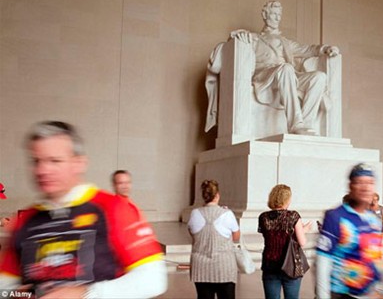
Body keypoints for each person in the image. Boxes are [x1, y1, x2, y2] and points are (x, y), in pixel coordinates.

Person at [0, 121, 167, 298]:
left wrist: (86, 294)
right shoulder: (25, 221)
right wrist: (19, 294)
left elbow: (153, 279)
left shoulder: (113, 208)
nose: (42, 170)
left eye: (55, 161)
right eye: (36, 161)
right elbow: (5, 287)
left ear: (79, 163)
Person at [231, 1, 340, 135]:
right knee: (286, 68)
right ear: (265, 15)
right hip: (265, 75)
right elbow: (234, 40)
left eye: (279, 15)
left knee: (319, 77)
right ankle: (295, 124)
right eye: (274, 14)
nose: (278, 18)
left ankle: (306, 124)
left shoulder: (286, 42)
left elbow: (307, 49)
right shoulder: (254, 38)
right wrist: (239, 35)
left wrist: (326, 48)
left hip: (287, 75)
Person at [316, 163, 383, 298]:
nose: (366, 187)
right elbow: (322, 264)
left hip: (367, 294)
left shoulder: (374, 220)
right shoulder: (335, 216)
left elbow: (376, 257)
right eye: (360, 182)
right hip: (343, 294)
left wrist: (378, 288)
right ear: (350, 186)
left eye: (370, 183)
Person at [188, 179, 240, 299]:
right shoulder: (227, 214)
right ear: (217, 195)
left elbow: (192, 233)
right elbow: (236, 236)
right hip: (224, 266)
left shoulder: (195, 213)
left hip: (201, 267)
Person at [258, 184, 312, 299]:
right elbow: (302, 242)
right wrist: (304, 230)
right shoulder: (293, 216)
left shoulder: (263, 217)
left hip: (270, 265)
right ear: (287, 199)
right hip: (290, 264)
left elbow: (270, 236)